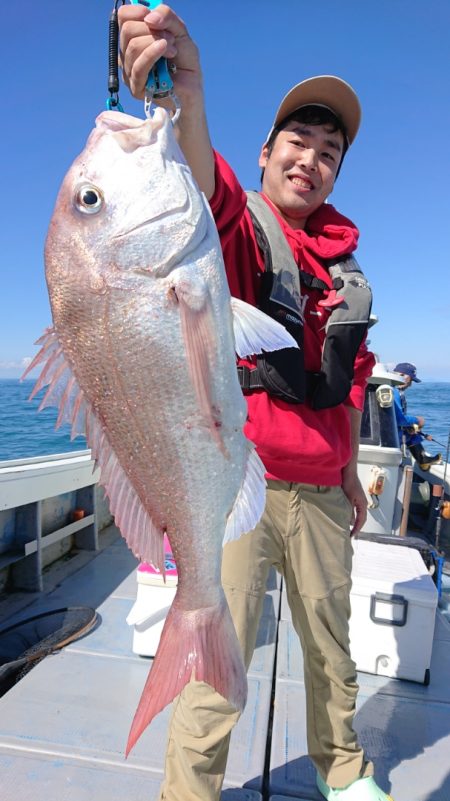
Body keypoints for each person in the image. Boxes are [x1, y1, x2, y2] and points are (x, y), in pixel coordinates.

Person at [118, 6, 391, 801]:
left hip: (321, 494)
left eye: (330, 152)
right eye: (297, 144)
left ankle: (343, 771)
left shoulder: (349, 275)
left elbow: (342, 386)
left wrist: (344, 476)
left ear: (339, 172)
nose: (312, 160)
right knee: (216, 656)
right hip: (236, 485)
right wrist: (186, 95)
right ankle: (189, 792)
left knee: (331, 648)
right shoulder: (234, 233)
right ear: (268, 153)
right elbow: (209, 186)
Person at [393, 362, 441, 470]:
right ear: (403, 376)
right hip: (391, 438)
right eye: (411, 380)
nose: (411, 384)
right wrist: (417, 420)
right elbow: (399, 419)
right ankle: (423, 460)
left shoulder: (392, 389)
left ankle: (423, 460)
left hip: (390, 435)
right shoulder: (395, 391)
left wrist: (408, 426)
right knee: (412, 435)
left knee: (411, 433)